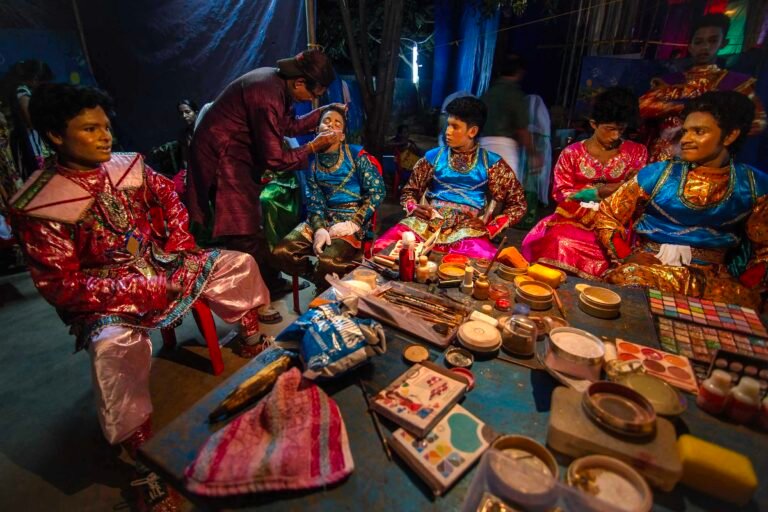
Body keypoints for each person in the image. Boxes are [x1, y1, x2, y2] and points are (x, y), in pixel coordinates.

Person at [9, 83, 270, 510]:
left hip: (161, 264)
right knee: (113, 350)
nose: (104, 137)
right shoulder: (41, 202)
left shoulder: (126, 166)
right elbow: (61, 286)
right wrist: (144, 287)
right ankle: (141, 455)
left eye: (106, 127)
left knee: (237, 264)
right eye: (90, 129)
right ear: (56, 135)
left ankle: (248, 335)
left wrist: (181, 244)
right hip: (104, 297)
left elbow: (170, 198)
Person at [186, 49, 344, 296]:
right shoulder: (267, 94)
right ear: (300, 82)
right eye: (312, 96)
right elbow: (275, 158)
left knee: (251, 228)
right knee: (242, 231)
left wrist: (324, 112)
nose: (308, 102)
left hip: (241, 158)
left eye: (336, 123)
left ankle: (270, 284)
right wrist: (314, 146)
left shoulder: (280, 85)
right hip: (223, 157)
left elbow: (289, 126)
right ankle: (253, 296)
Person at [595, 91, 767, 309]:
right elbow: (608, 214)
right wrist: (627, 255)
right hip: (651, 268)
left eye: (699, 132)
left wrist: (745, 283)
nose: (685, 139)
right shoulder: (658, 174)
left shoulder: (753, 186)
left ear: (730, 136)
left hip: (715, 280)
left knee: (742, 309)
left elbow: (765, 249)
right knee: (624, 287)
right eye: (685, 131)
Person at [373, 96, 526, 260]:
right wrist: (413, 207)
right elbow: (408, 192)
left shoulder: (492, 164)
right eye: (448, 125)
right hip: (427, 222)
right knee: (382, 248)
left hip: (467, 229)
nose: (447, 131)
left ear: (472, 131)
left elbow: (518, 204)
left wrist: (492, 227)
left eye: (455, 127)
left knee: (484, 262)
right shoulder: (433, 157)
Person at [522, 88, 648, 278]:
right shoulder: (572, 153)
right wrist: (600, 192)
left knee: (620, 251)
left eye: (620, 130)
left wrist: (629, 188)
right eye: (610, 129)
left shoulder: (636, 152)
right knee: (560, 240)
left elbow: (640, 189)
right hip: (575, 218)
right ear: (593, 124)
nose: (615, 136)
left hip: (617, 221)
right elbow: (561, 193)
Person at [273, 106, 385, 288]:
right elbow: (314, 201)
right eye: (326, 121)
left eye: (337, 123)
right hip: (321, 218)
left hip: (350, 220)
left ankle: (327, 279)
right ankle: (321, 279)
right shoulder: (312, 163)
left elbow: (377, 191)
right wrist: (318, 228)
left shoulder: (356, 155)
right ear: (317, 131)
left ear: (342, 136)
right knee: (282, 252)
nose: (330, 125)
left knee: (328, 262)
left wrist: (355, 222)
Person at [639, 13, 766, 162]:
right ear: (690, 46)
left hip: (710, 158)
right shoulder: (669, 81)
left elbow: (757, 122)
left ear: (723, 43)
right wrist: (681, 108)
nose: (705, 47)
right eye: (699, 42)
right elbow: (642, 107)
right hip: (666, 155)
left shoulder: (735, 84)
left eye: (712, 41)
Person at [479, 55, 538, 181]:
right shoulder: (515, 95)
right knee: (506, 192)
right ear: (520, 72)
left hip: (483, 146)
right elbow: (522, 129)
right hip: (505, 148)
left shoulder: (487, 94)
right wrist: (533, 154)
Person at [3, 60, 54, 179]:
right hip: (29, 142)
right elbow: (31, 120)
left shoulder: (23, 91)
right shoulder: (22, 91)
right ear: (35, 78)